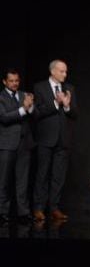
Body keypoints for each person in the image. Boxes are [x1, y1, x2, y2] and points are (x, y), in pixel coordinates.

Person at [32, 59, 77, 221]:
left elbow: (75, 114)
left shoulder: (69, 88)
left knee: (58, 176)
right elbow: (36, 113)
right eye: (61, 71)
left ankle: (54, 208)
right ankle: (38, 208)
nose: (65, 74)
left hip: (63, 139)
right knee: (42, 174)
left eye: (65, 71)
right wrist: (55, 103)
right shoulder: (40, 87)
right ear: (53, 71)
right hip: (45, 138)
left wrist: (66, 106)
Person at [0, 69, 35, 223]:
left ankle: (23, 212)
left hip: (24, 144)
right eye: (11, 81)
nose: (15, 83)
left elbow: (34, 114)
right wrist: (24, 109)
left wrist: (31, 106)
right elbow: (4, 118)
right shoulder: (1, 97)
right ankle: (2, 213)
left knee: (23, 180)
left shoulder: (24, 95)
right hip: (7, 144)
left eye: (17, 81)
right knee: (4, 181)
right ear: (5, 82)